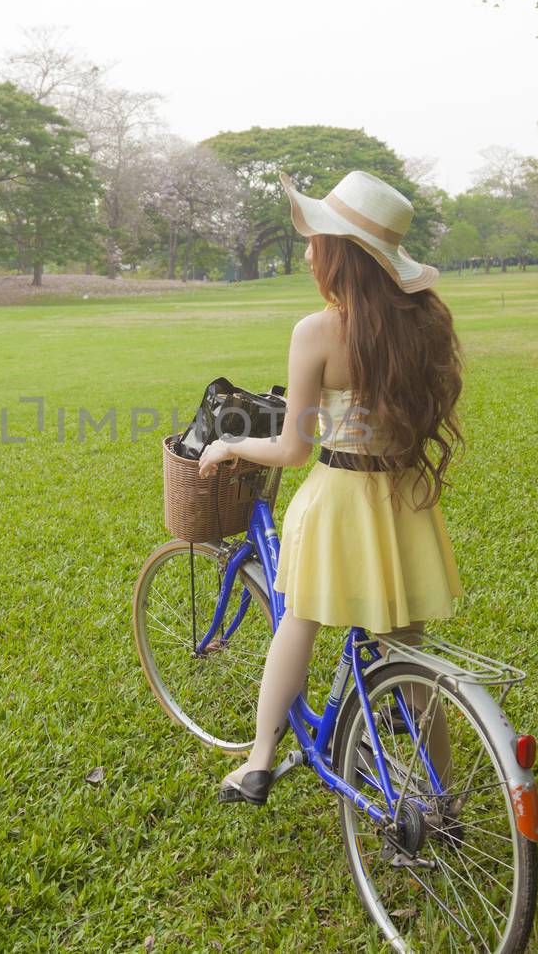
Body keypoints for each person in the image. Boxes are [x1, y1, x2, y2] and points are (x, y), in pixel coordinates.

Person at [197, 169, 465, 806]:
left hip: (337, 499)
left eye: (316, 239)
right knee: (411, 649)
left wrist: (231, 443)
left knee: (300, 622)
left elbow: (293, 448)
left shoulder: (317, 331)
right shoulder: (424, 323)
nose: (309, 250)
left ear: (340, 251)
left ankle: (259, 758)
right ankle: (445, 792)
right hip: (401, 500)